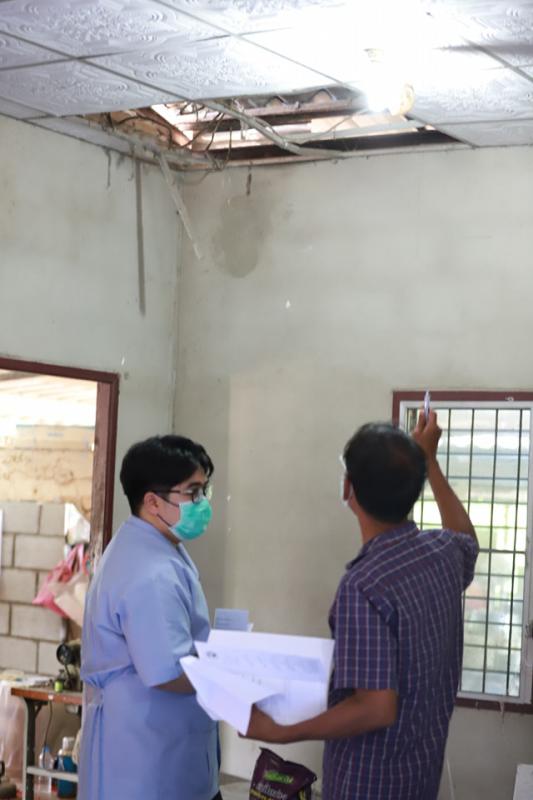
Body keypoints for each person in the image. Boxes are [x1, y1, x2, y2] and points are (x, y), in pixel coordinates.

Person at [245, 411, 478, 800]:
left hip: (369, 782)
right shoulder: (442, 554)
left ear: (347, 488)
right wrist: (431, 462)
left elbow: (375, 708)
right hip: (420, 775)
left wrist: (281, 731)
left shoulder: (365, 584)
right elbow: (467, 537)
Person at [78, 435, 223, 800]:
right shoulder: (150, 571)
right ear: (152, 501)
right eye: (192, 493)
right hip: (148, 759)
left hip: (155, 745)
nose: (203, 504)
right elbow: (166, 670)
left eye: (205, 490)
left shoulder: (148, 548)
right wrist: (233, 675)